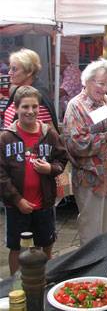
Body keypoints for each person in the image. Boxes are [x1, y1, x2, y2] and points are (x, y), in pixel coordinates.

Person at [0, 86, 68, 275]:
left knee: (46, 243)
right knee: (16, 247)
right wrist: (17, 199)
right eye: (25, 107)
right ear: (16, 108)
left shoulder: (49, 134)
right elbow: (1, 175)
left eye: (34, 107)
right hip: (17, 206)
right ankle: (15, 283)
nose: (30, 111)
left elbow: (62, 159)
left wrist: (51, 169)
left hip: (44, 203)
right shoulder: (6, 138)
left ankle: (44, 279)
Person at [63, 58, 107, 246]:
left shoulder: (104, 101)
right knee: (91, 228)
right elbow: (75, 143)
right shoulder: (76, 106)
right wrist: (105, 136)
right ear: (87, 81)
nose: (105, 88)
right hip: (90, 176)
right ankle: (89, 268)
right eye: (100, 83)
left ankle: (104, 267)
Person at [4, 48, 59, 132]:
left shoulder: (36, 95)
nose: (9, 72)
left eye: (14, 69)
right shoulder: (20, 89)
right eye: (10, 68)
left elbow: (47, 134)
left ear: (29, 71)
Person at [59, 52, 82, 119]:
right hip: (69, 111)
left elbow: (62, 92)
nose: (52, 68)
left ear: (61, 63)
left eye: (53, 64)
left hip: (76, 113)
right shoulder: (64, 72)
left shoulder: (72, 72)